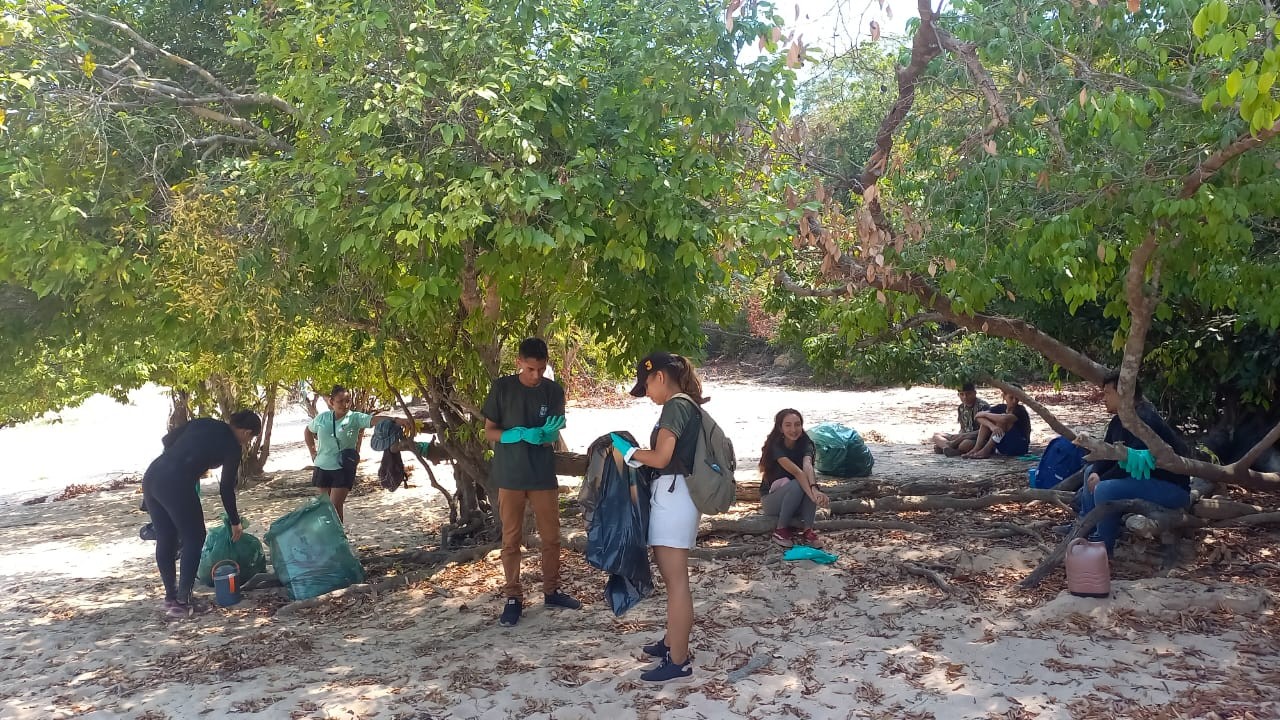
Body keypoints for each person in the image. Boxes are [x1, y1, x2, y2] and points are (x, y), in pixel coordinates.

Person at [608, 351, 709, 683]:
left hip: (674, 495)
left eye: (647, 385)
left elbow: (663, 457)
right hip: (677, 495)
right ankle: (671, 643)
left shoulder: (676, 406)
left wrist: (627, 452)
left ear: (660, 377)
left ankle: (678, 660)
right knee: (674, 581)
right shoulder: (686, 405)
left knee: (677, 582)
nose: (647, 393)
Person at [481, 338, 580, 627]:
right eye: (530, 369)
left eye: (541, 369)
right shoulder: (502, 388)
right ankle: (513, 597)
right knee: (511, 539)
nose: (536, 375)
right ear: (519, 363)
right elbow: (489, 431)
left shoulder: (553, 391)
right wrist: (515, 434)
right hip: (510, 475)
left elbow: (555, 428)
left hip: (541, 474)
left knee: (551, 537)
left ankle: (552, 590)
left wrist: (547, 434)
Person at [142, 410, 262, 619]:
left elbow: (167, 439)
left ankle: (171, 598)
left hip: (153, 474)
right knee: (195, 537)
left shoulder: (205, 423)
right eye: (250, 438)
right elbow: (226, 488)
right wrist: (235, 521)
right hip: (175, 482)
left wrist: (185, 460)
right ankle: (182, 601)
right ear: (245, 431)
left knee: (166, 537)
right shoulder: (232, 446)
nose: (247, 442)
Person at [1073, 373, 1191, 553]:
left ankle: (1103, 544)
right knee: (1090, 472)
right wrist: (1098, 471)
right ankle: (1084, 527)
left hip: (1170, 488)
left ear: (1124, 394)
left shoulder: (1144, 420)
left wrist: (1102, 479)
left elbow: (1134, 463)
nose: (1104, 399)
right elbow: (1106, 452)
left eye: (1107, 393)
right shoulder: (1118, 420)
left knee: (1104, 488)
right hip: (1142, 480)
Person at [304, 385, 413, 523]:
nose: (345, 404)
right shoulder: (322, 418)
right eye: (340, 401)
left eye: (348, 401)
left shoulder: (354, 418)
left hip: (343, 468)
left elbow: (373, 420)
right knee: (326, 507)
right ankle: (329, 538)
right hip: (322, 467)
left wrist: (396, 420)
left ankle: (339, 539)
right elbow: (308, 431)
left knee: (335, 505)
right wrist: (312, 452)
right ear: (331, 402)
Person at [758, 409, 829, 548]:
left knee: (809, 482)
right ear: (780, 428)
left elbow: (807, 465)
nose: (793, 429)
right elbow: (797, 472)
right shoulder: (775, 446)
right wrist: (814, 495)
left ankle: (808, 530)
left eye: (797, 424)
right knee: (799, 484)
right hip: (771, 501)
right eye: (788, 425)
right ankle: (780, 530)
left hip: (796, 498)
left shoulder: (806, 442)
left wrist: (815, 489)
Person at [963, 386, 1032, 459]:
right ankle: (976, 449)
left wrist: (985, 414)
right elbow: (978, 417)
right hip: (1004, 445)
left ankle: (986, 450)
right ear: (1004, 396)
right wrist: (991, 426)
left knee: (1001, 421)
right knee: (986, 422)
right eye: (1011, 398)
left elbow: (1004, 419)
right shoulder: (1001, 407)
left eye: (1017, 398)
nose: (1014, 401)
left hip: (1019, 446)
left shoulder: (1020, 410)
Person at [932, 382, 990, 456]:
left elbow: (986, 430)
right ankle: (948, 448)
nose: (965, 397)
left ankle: (950, 448)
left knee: (965, 444)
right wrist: (959, 437)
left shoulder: (983, 406)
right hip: (962, 436)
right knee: (936, 435)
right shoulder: (961, 408)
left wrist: (963, 437)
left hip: (978, 438)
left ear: (974, 393)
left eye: (968, 394)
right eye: (962, 394)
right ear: (958, 395)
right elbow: (963, 427)